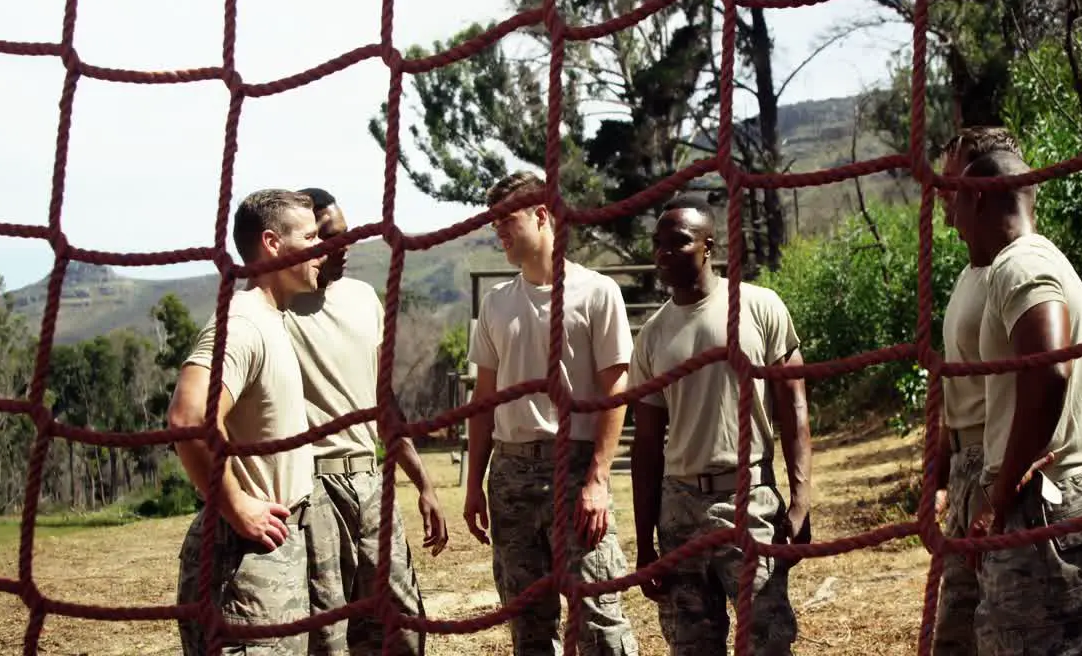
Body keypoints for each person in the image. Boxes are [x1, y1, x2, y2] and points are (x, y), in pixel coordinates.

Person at [953, 150, 1082, 655]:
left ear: (982, 199)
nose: (955, 220)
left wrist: (1001, 494)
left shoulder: (1019, 265)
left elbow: (1052, 368)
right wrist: (1081, 432)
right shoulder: (1056, 261)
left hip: (1041, 514)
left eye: (959, 203)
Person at [463, 171, 639, 656]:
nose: (496, 229)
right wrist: (474, 483)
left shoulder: (597, 292)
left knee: (600, 621)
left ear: (543, 215)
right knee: (528, 624)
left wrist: (598, 480)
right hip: (511, 474)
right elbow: (483, 402)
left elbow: (615, 390)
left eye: (506, 219)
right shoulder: (496, 305)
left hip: (575, 469)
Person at [628, 193, 812, 656]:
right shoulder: (652, 335)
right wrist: (646, 542)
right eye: (658, 244)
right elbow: (647, 445)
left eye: (679, 242)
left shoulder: (759, 306)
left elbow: (795, 407)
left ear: (708, 246)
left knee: (767, 641)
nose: (663, 254)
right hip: (680, 507)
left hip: (749, 499)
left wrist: (801, 497)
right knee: (690, 646)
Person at [284, 187, 449, 656]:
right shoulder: (272, 307)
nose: (346, 245)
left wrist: (424, 482)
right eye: (332, 236)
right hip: (311, 491)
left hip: (371, 482)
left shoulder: (361, 297)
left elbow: (383, 400)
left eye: (349, 233)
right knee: (329, 633)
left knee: (402, 623)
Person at [169, 188, 325, 655]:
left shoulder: (272, 319)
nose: (323, 248)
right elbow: (188, 417)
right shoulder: (242, 323)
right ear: (273, 243)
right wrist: (238, 506)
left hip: (272, 556)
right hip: (244, 567)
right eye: (311, 237)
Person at [930, 126, 1026, 655]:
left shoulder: (1015, 268)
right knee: (958, 634)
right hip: (968, 466)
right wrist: (941, 475)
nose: (948, 191)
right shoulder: (973, 270)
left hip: (1001, 470)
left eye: (958, 180)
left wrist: (1022, 465)